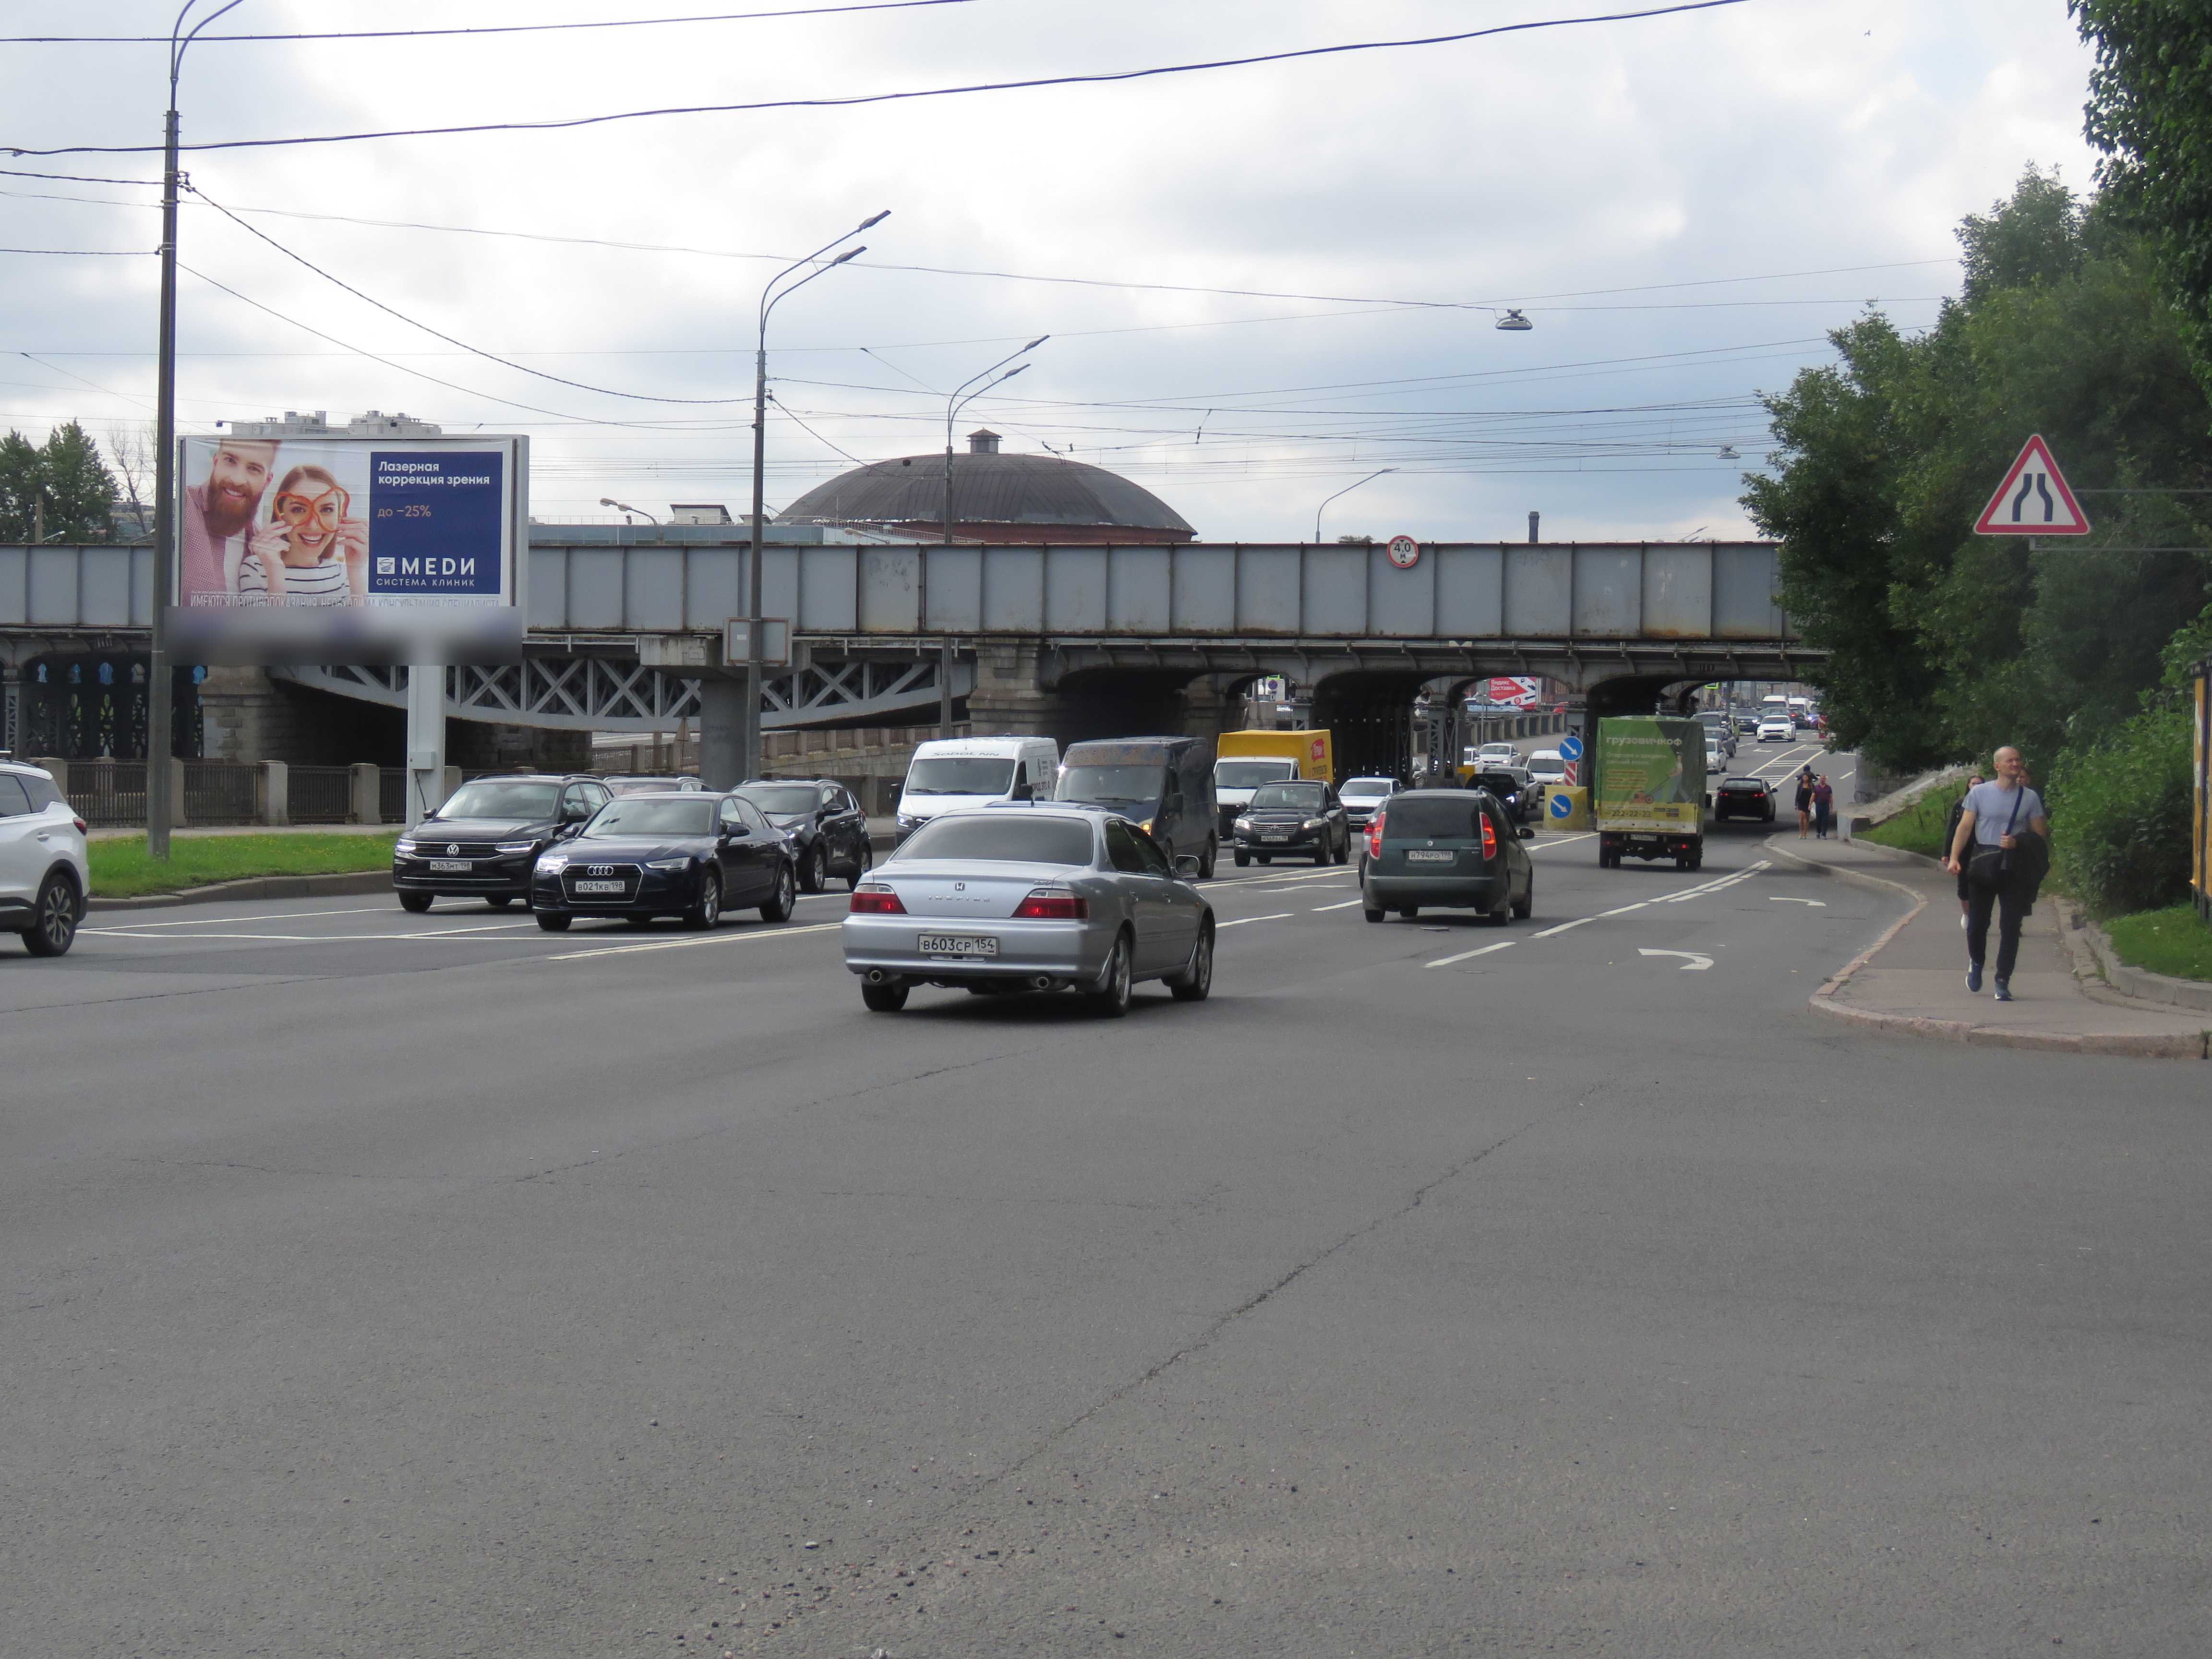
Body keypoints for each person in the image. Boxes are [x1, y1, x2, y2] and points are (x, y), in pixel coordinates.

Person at [1945, 747, 2050, 1002]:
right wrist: (1955, 858)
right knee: (1978, 924)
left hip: (2014, 867)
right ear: (1997, 767)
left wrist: (2018, 842)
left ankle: (2003, 980)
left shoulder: (2030, 797)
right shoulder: (1980, 793)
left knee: (2011, 926)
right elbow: (1966, 826)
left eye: (2018, 760)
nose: (2015, 764)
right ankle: (1977, 962)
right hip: (1983, 863)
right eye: (2010, 761)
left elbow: (2040, 836)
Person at [235, 463, 369, 607]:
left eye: (327, 509)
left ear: (340, 516)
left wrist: (356, 570)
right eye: (298, 510)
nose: (313, 525)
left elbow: (359, 629)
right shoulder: (257, 569)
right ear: (281, 515)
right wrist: (275, 572)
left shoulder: (345, 574)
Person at [178, 438, 279, 605]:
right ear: (216, 462)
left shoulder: (259, 541)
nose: (238, 480)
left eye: (254, 469)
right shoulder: (182, 509)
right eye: (230, 461)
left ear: (267, 481)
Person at [1942, 774, 1985, 928]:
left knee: (1981, 882)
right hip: (1964, 848)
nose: (1976, 787)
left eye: (1980, 784)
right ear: (1968, 785)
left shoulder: (1987, 804)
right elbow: (1952, 829)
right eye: (1974, 784)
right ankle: (1967, 913)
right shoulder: (1961, 804)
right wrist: (1947, 852)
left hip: (1981, 848)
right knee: (1963, 883)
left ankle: (1979, 915)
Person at [1793, 767, 1815, 837]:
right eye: (1804, 778)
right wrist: (1796, 804)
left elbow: (1813, 794)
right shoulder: (1800, 785)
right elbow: (1797, 794)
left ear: (1808, 778)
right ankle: (1801, 832)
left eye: (1806, 778)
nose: (1805, 779)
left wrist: (1812, 803)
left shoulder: (1811, 785)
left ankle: (1805, 833)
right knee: (1801, 817)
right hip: (1801, 802)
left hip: (1808, 802)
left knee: (1807, 818)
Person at [1811, 773, 1833, 838]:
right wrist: (1810, 804)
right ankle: (1818, 832)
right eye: (1821, 779)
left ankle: (1824, 834)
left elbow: (1831, 798)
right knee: (1818, 819)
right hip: (1818, 805)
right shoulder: (1816, 788)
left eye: (1824, 779)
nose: (1822, 780)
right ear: (1820, 780)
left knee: (1825, 820)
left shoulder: (1829, 788)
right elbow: (1813, 796)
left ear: (1825, 780)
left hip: (1826, 805)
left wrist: (1831, 807)